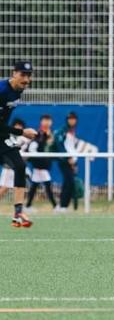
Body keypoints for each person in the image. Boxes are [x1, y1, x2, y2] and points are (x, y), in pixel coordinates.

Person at [0, 61, 38, 227]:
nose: (26, 79)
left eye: (28, 75)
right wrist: (22, 132)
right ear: (13, 73)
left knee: (20, 166)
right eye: (22, 74)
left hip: (2, 137)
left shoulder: (17, 91)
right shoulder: (1, 90)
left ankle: (18, 212)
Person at [25, 114, 57, 211]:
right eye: (45, 120)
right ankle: (56, 206)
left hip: (46, 164)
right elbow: (34, 148)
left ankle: (28, 206)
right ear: (41, 122)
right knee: (47, 185)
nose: (47, 122)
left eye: (48, 120)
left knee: (34, 186)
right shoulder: (38, 134)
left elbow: (52, 148)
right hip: (39, 164)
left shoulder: (52, 134)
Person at [54, 111, 80, 211]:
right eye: (70, 119)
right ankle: (63, 206)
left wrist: (74, 161)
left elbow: (71, 147)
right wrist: (68, 158)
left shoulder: (72, 130)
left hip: (72, 160)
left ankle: (62, 206)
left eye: (73, 119)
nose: (72, 121)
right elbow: (60, 144)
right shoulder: (63, 130)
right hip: (65, 161)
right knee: (69, 182)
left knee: (69, 183)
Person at [0, 119, 31, 199]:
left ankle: (20, 208)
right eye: (16, 126)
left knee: (23, 184)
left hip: (19, 164)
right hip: (8, 167)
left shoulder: (25, 138)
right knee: (4, 188)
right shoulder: (8, 136)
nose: (18, 127)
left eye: (20, 126)